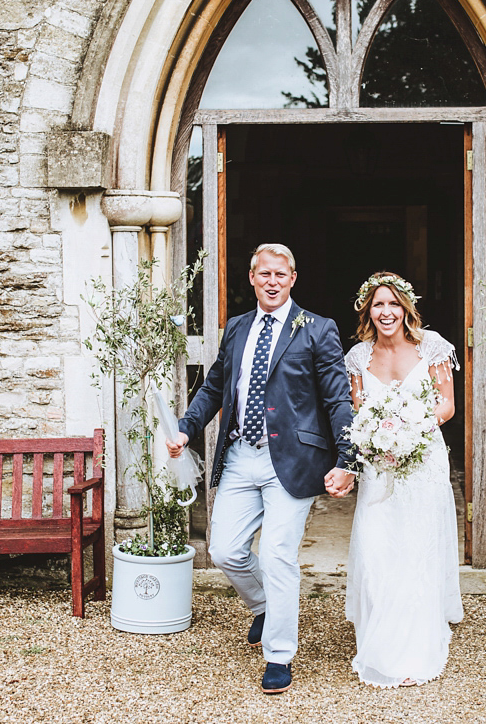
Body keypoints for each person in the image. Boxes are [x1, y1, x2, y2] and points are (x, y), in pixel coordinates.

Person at [165, 243, 355, 694]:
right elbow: (213, 388)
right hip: (239, 456)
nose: (272, 281)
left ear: (293, 279)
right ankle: (264, 606)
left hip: (292, 461)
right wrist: (186, 429)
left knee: (276, 555)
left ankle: (279, 654)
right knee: (225, 551)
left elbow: (337, 398)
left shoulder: (318, 329)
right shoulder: (236, 328)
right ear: (252, 278)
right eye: (264, 273)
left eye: (281, 274)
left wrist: (348, 459)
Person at [342, 272, 463, 687]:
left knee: (416, 544)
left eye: (394, 304)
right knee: (377, 544)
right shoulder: (358, 356)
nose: (386, 312)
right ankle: (379, 625)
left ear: (406, 308)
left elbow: (446, 404)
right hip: (379, 464)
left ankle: (415, 636)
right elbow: (359, 410)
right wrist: (379, 437)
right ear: (368, 310)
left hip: (422, 458)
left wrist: (411, 429)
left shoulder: (431, 347)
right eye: (378, 304)